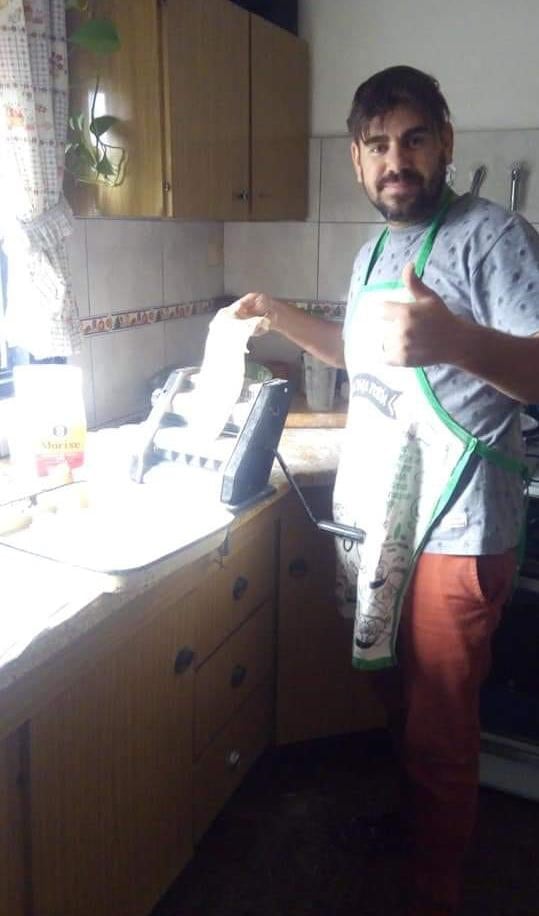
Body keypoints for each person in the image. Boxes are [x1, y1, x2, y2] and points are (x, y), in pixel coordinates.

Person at [224, 65, 539, 915]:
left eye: (411, 140)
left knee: (439, 722)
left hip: (457, 522)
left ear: (443, 144)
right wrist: (279, 316)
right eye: (376, 145)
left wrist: (458, 341)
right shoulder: (372, 251)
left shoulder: (495, 236)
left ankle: (432, 890)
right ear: (358, 163)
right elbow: (366, 353)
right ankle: (418, 833)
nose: (394, 160)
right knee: (393, 693)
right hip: (380, 520)